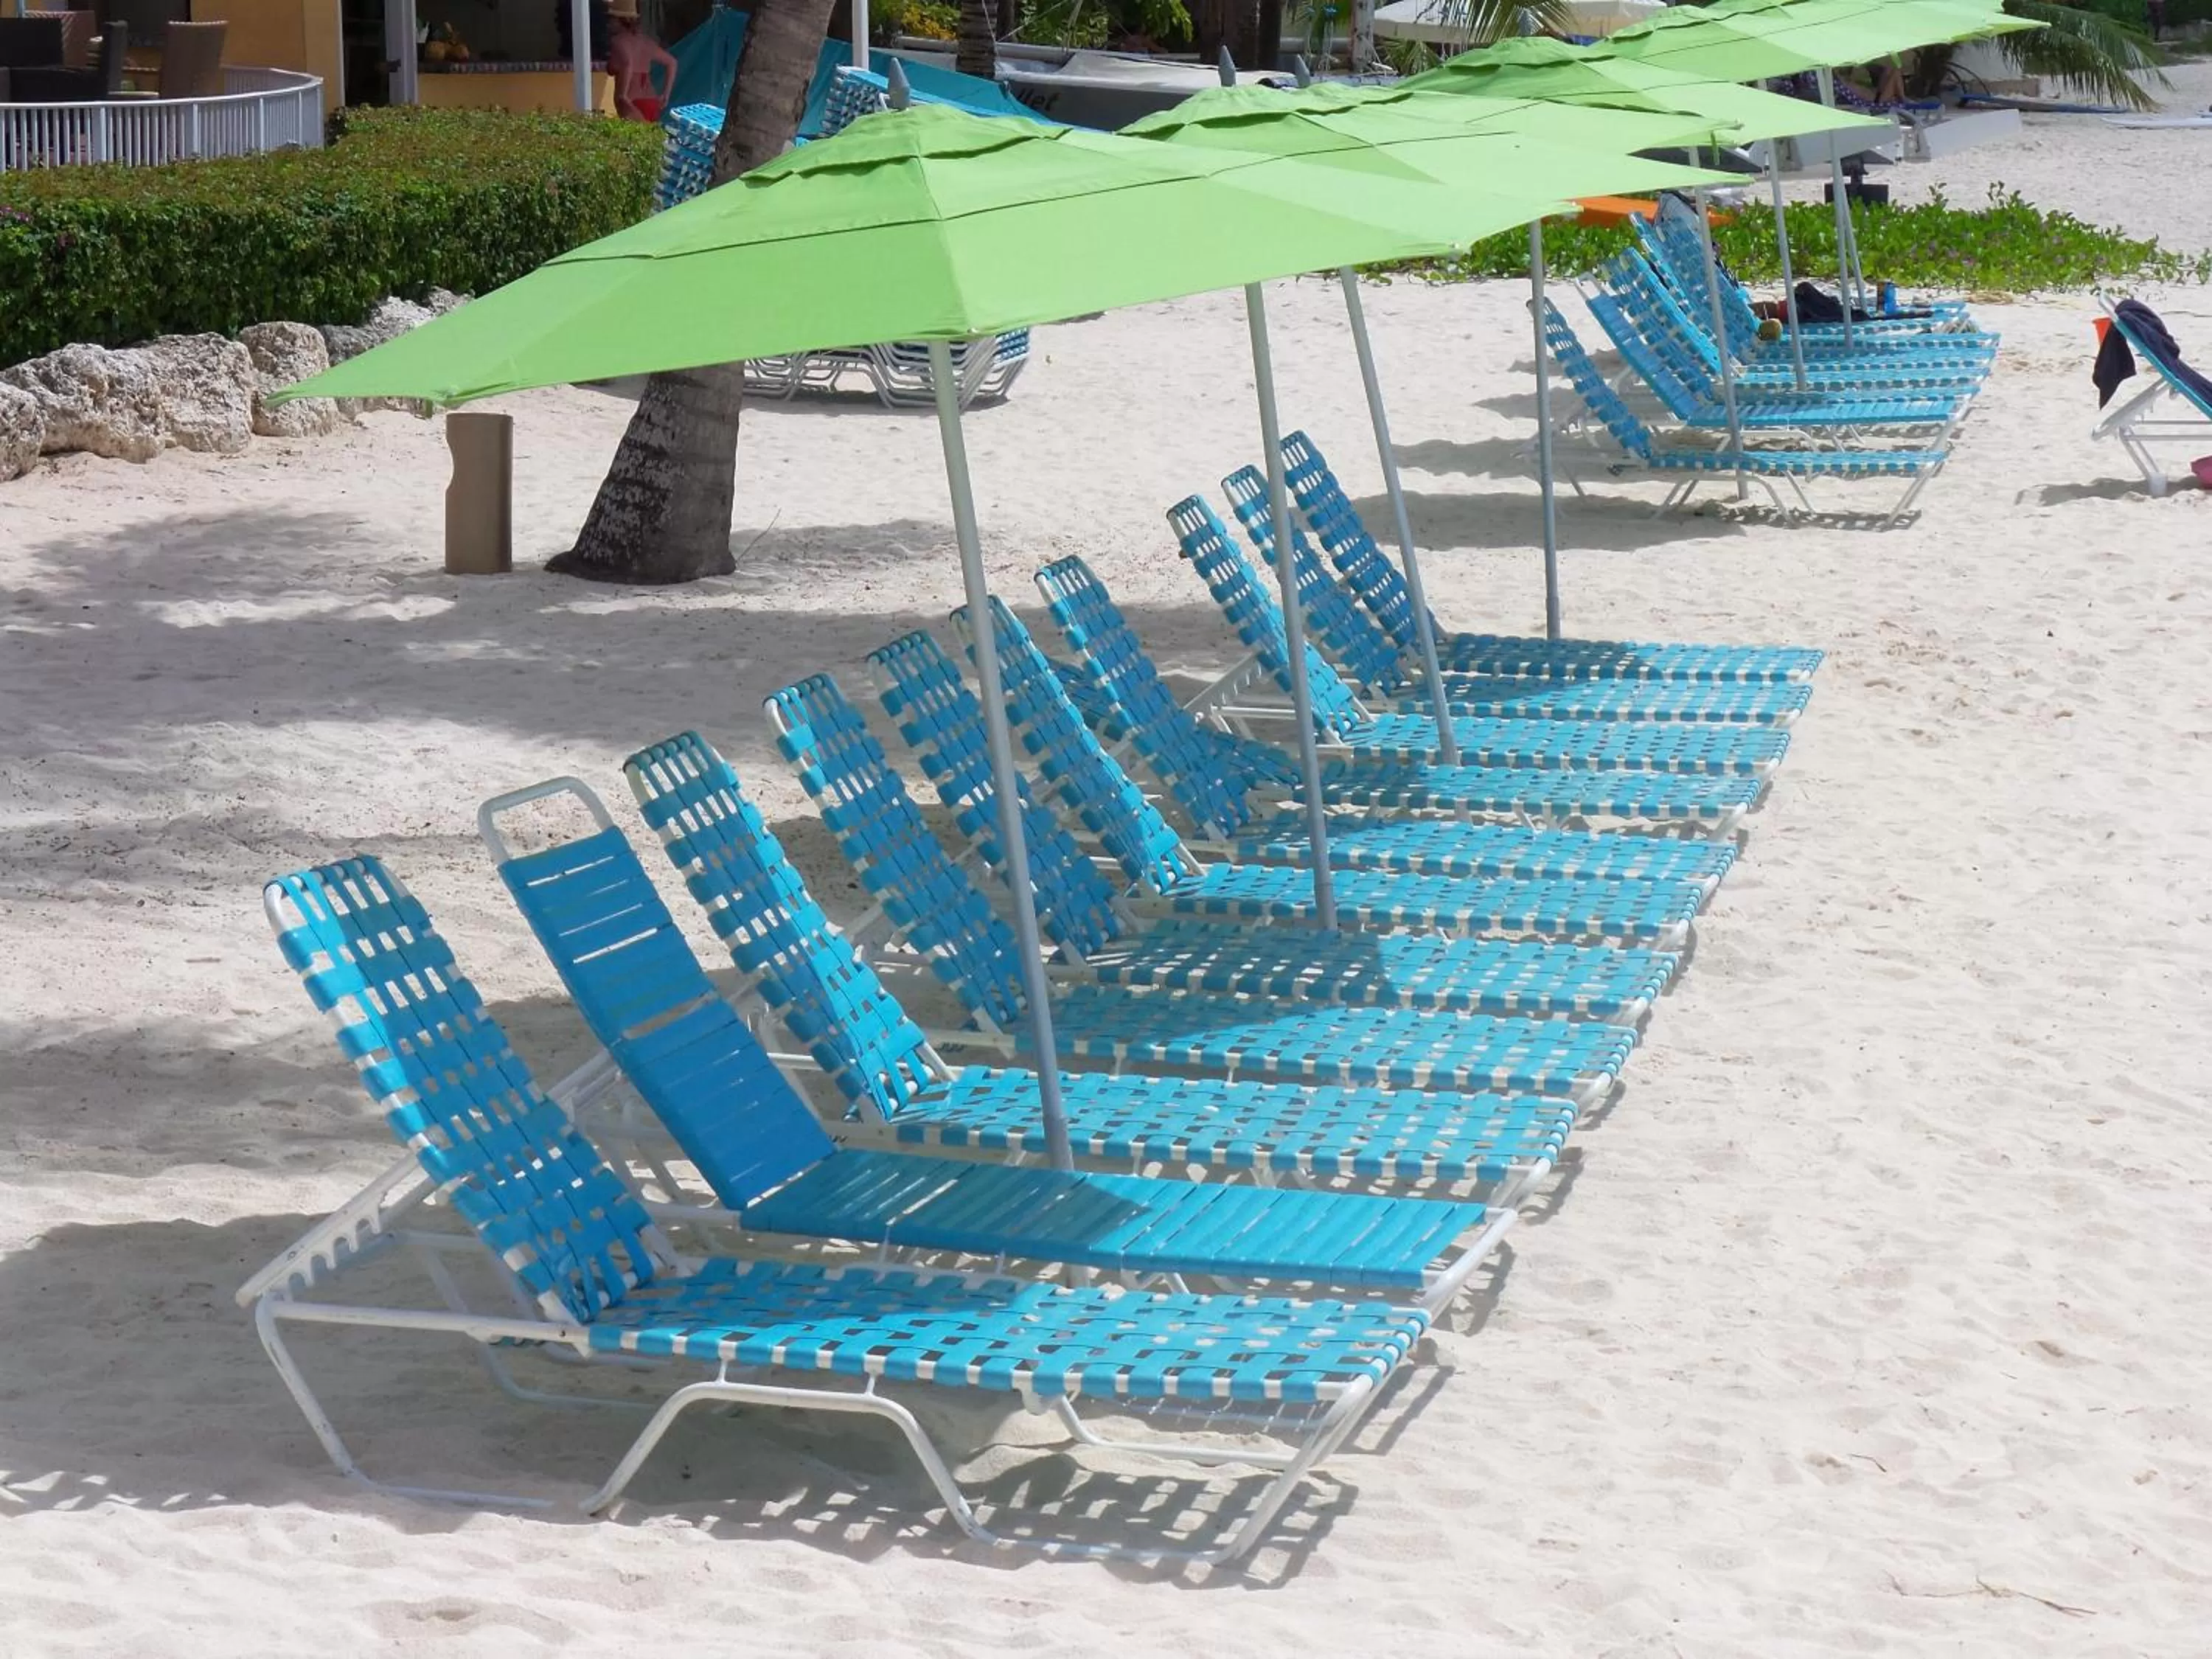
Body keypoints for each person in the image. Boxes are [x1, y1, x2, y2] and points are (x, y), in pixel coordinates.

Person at [606, 0, 677, 122]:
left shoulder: (618, 41)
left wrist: (622, 95)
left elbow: (627, 64)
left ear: (619, 20)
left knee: (633, 139)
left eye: (610, 19)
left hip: (632, 102)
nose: (608, 23)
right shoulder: (645, 42)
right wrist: (666, 95)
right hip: (651, 101)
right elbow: (672, 62)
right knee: (648, 138)